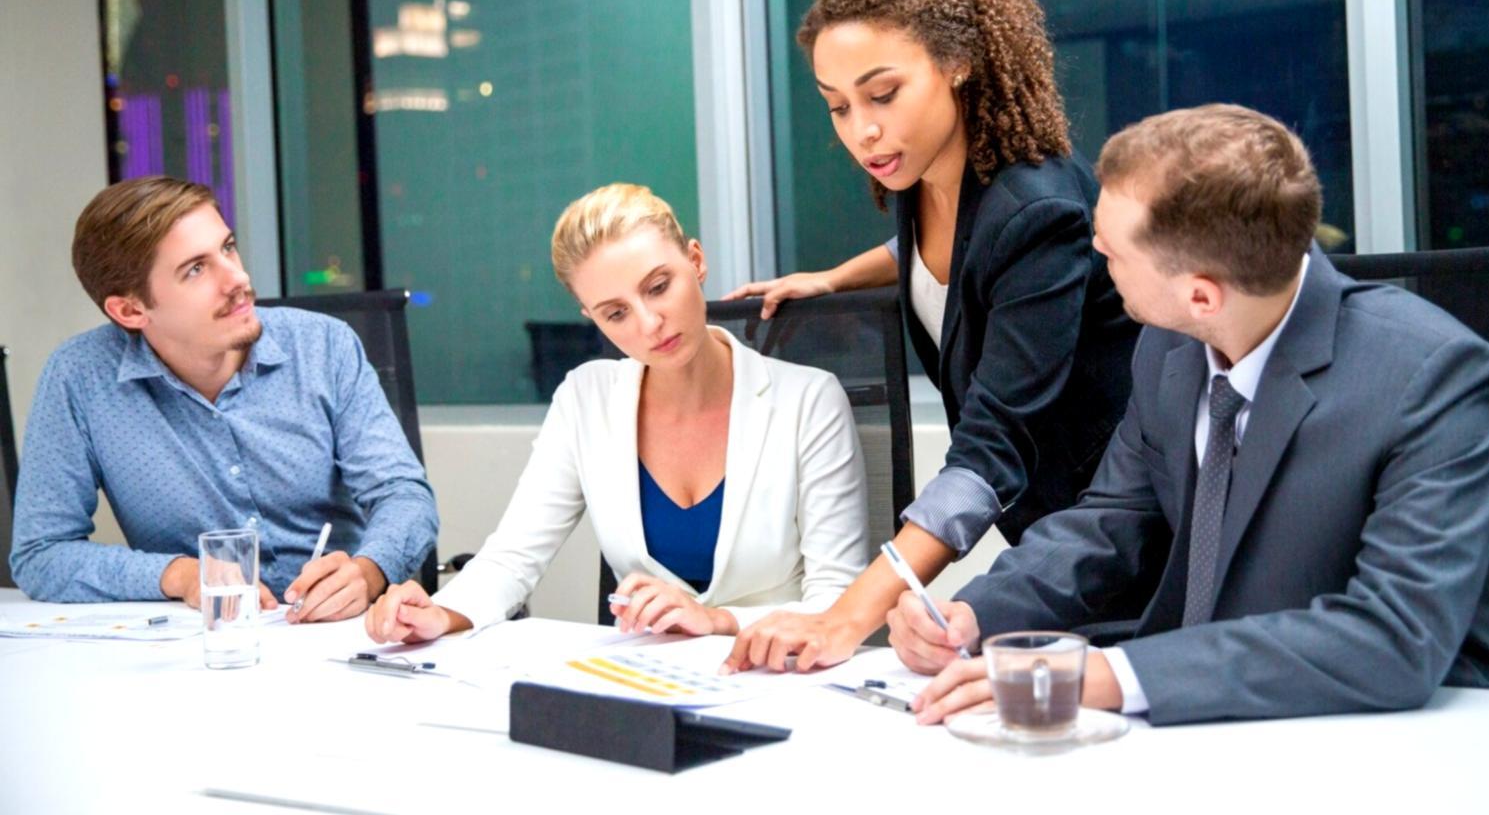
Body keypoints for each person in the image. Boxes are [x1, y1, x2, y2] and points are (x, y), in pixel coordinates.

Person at [891, 104, 1489, 725]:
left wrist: (1113, 677)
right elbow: (1112, 520)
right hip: (1208, 726)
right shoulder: (1172, 343)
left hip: (1406, 736)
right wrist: (975, 615)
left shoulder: (1430, 373)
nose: (1095, 258)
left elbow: (1396, 637)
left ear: (1201, 294)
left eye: (1110, 255)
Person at [722, 0, 1138, 672]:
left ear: (957, 63)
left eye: (883, 94)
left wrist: (846, 617)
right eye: (839, 106)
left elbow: (992, 447)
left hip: (1115, 536)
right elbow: (929, 254)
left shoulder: (1036, 211)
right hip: (1046, 528)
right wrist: (835, 276)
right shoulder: (933, 172)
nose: (863, 131)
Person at [364, 184, 867, 644]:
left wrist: (718, 621)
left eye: (658, 286)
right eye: (616, 313)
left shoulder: (807, 401)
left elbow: (837, 602)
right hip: (647, 684)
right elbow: (513, 557)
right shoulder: (586, 399)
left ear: (696, 261)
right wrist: (439, 613)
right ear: (593, 318)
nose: (650, 324)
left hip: (783, 678)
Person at [11, 177, 438, 622]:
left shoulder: (323, 346)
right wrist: (181, 576)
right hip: (201, 646)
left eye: (228, 248)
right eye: (196, 269)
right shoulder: (80, 378)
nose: (238, 278)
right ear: (131, 311)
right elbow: (41, 554)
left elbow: (403, 494)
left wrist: (368, 572)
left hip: (338, 633)